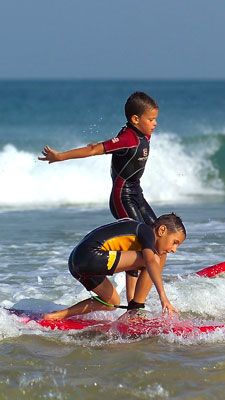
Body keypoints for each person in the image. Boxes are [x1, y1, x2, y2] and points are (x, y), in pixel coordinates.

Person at [38, 92, 162, 302]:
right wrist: (60, 156)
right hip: (122, 197)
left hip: (137, 193)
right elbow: (94, 149)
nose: (155, 124)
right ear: (135, 119)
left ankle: (148, 282)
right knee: (138, 243)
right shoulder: (128, 139)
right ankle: (134, 302)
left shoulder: (143, 133)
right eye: (151, 119)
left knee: (158, 235)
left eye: (155, 119)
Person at [43, 213, 186, 320]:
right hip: (91, 256)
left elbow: (132, 267)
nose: (174, 249)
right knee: (155, 258)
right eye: (175, 242)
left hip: (77, 263)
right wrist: (163, 297)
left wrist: (131, 300)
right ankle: (136, 310)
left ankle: (57, 316)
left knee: (111, 303)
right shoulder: (145, 231)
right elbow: (149, 262)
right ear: (161, 230)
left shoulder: (139, 242)